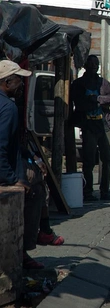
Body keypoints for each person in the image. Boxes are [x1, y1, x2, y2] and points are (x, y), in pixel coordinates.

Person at [0, 60, 48, 269]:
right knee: (34, 189)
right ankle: (23, 250)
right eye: (18, 79)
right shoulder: (9, 108)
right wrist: (13, 180)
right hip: (6, 172)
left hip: (10, 164)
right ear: (7, 81)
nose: (21, 84)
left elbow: (14, 144)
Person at [71, 55, 110, 202]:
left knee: (107, 158)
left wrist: (97, 100)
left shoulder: (103, 82)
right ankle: (88, 191)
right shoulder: (79, 84)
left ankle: (105, 191)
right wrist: (92, 103)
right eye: (91, 64)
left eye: (96, 64)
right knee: (89, 161)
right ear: (85, 66)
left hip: (104, 124)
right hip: (88, 125)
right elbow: (79, 103)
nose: (94, 67)